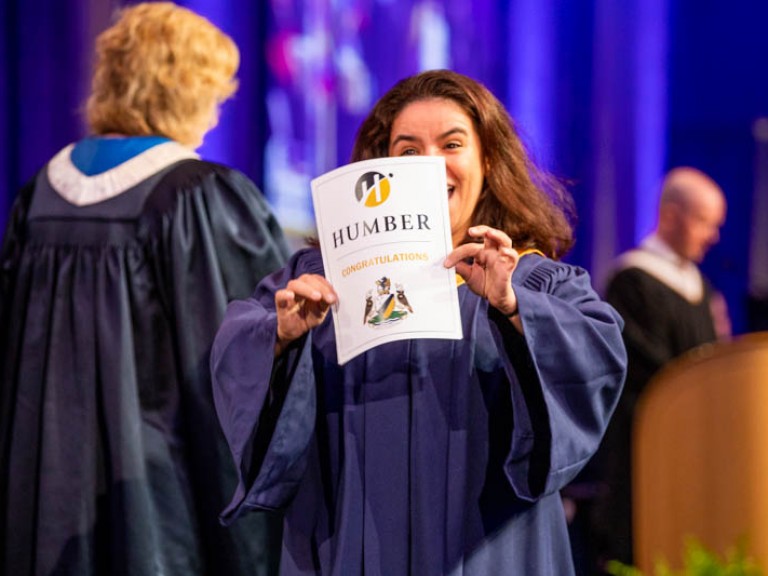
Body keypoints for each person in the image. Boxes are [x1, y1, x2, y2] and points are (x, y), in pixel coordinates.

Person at [211, 69, 627, 576]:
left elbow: (595, 361)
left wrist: (515, 309)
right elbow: (238, 342)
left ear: (487, 161)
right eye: (408, 151)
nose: (430, 166)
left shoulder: (535, 280)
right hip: (347, 543)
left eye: (452, 144)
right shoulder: (320, 281)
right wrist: (280, 338)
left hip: (491, 553)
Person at [0, 3, 290, 576]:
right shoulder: (198, 196)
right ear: (189, 90)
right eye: (215, 92)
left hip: (41, 495)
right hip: (156, 510)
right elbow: (237, 363)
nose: (216, 110)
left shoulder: (40, 195)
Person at [590, 166, 728, 570]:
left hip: (698, 442)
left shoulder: (702, 288)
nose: (713, 236)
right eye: (705, 222)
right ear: (670, 215)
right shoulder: (632, 280)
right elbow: (643, 365)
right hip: (645, 438)